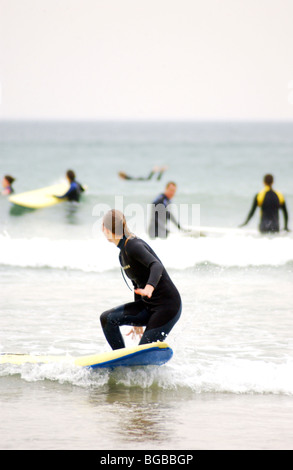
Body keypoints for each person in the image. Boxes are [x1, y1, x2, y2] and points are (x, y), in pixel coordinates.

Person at [100, 209, 182, 350]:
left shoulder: (133, 245)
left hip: (166, 307)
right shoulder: (122, 253)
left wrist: (150, 287)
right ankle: (121, 358)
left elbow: (156, 265)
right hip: (147, 306)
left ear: (105, 229)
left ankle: (132, 361)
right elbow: (137, 285)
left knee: (143, 351)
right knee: (107, 318)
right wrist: (137, 322)